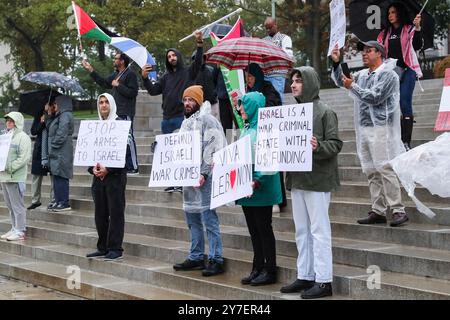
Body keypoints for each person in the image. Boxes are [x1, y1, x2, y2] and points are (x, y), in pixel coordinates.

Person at [280, 67, 342, 299]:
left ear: (310, 83)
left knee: (319, 231)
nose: (293, 85)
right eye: (292, 81)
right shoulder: (292, 113)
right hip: (298, 179)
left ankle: (324, 280)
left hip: (318, 181)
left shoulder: (326, 112)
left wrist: (318, 146)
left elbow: (335, 144)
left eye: (299, 81)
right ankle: (305, 274)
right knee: (302, 231)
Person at [331, 41, 408, 227]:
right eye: (363, 51)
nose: (364, 54)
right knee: (370, 170)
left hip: (381, 128)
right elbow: (342, 80)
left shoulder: (389, 75)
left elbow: (375, 97)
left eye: (369, 51)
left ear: (380, 53)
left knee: (384, 168)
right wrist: (336, 63)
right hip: (363, 127)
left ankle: (398, 210)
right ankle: (378, 210)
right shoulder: (362, 75)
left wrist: (353, 87)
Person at [172, 85, 227, 276]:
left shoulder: (208, 119)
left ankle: (216, 258)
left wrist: (204, 172)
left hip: (205, 178)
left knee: (209, 219)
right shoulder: (186, 123)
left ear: (198, 101)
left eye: (191, 100)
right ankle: (196, 256)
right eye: (185, 100)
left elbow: (214, 145)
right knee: (192, 218)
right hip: (189, 178)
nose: (187, 103)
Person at [141, 31, 204, 193]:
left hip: (181, 118)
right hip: (166, 119)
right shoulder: (165, 77)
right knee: (169, 153)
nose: (171, 58)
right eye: (168, 57)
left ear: (178, 56)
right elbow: (154, 91)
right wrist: (145, 78)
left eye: (173, 55)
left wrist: (199, 45)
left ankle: (183, 182)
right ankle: (172, 181)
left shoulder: (188, 73)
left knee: (181, 152)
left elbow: (197, 64)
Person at [237, 92, 282, 286]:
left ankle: (269, 269)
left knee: (264, 228)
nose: (240, 109)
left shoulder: (266, 130)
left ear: (254, 107)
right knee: (253, 229)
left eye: (243, 105)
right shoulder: (246, 129)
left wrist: (257, 179)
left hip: (260, 186)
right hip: (247, 186)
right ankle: (257, 266)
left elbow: (270, 160)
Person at [82, 52, 139, 174]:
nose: (114, 60)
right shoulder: (115, 74)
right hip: (115, 113)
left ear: (122, 61)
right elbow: (103, 82)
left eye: (116, 58)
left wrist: (118, 85)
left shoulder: (131, 74)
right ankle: (123, 164)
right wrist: (91, 70)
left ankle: (133, 166)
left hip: (126, 111)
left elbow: (133, 92)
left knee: (128, 139)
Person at [86, 93, 127, 261]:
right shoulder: (94, 127)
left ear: (111, 105)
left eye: (106, 102)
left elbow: (125, 154)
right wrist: (93, 169)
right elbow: (87, 152)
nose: (103, 105)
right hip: (98, 178)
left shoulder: (120, 125)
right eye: (100, 102)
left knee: (116, 213)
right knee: (100, 214)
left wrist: (108, 169)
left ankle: (115, 248)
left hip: (115, 177)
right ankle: (102, 247)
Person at [378, 2, 423, 151]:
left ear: (400, 13)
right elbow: (379, 52)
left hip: (408, 70)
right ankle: (394, 139)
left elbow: (416, 46)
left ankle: (406, 142)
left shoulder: (409, 29)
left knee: (404, 102)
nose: (390, 15)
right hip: (391, 72)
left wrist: (417, 28)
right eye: (389, 13)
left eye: (393, 12)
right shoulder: (384, 34)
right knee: (392, 105)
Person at [246, 63, 286, 213]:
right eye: (246, 77)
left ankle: (278, 200)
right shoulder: (247, 91)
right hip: (254, 136)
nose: (248, 80)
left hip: (269, 134)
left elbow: (274, 108)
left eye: (250, 76)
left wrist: (258, 103)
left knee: (272, 168)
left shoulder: (268, 88)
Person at [0, 112, 31, 241]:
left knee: (17, 206)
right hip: (4, 177)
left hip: (15, 177)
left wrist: (9, 167)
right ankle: (14, 228)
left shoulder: (23, 137)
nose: (8, 122)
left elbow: (23, 158)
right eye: (7, 120)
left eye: (11, 121)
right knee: (10, 205)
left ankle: (20, 230)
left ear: (17, 122)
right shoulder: (5, 136)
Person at [46, 95, 74, 212]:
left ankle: (64, 202)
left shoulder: (65, 115)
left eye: (56, 104)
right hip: (57, 151)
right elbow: (49, 128)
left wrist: (54, 145)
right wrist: (48, 114)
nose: (54, 106)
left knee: (62, 175)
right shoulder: (59, 116)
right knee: (57, 175)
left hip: (62, 150)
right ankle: (58, 201)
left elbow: (62, 132)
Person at [27, 107, 54, 210]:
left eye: (49, 104)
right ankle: (35, 200)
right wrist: (42, 121)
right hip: (40, 149)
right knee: (36, 176)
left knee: (53, 175)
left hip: (52, 148)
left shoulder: (56, 114)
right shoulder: (38, 115)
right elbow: (33, 131)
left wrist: (50, 117)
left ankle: (53, 200)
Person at [263, 17, 294, 104]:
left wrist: (272, 53)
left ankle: (280, 116)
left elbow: (289, 56)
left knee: (277, 98)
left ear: (276, 25)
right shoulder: (263, 41)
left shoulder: (284, 38)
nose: (268, 30)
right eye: (266, 28)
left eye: (270, 27)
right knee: (267, 100)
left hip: (278, 74)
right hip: (265, 75)